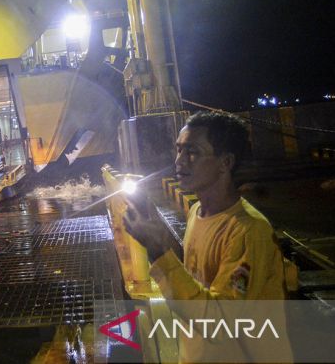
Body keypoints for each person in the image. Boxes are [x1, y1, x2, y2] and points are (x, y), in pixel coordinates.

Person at [124, 111, 292, 363]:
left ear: (225, 162)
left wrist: (159, 252)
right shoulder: (196, 213)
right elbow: (198, 286)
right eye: (179, 150)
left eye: (193, 152)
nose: (179, 161)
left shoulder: (248, 231)